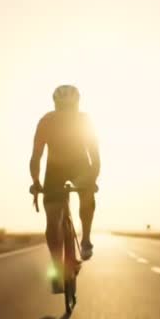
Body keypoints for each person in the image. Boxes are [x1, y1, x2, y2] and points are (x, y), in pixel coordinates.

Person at [30, 85, 100, 273]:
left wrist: (92, 180)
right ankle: (56, 265)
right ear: (55, 106)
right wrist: (36, 182)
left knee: (86, 195)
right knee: (52, 218)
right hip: (55, 170)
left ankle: (85, 240)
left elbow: (95, 156)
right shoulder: (46, 122)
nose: (67, 113)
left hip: (80, 166)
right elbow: (36, 157)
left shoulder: (85, 121)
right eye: (62, 108)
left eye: (71, 108)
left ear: (77, 105)